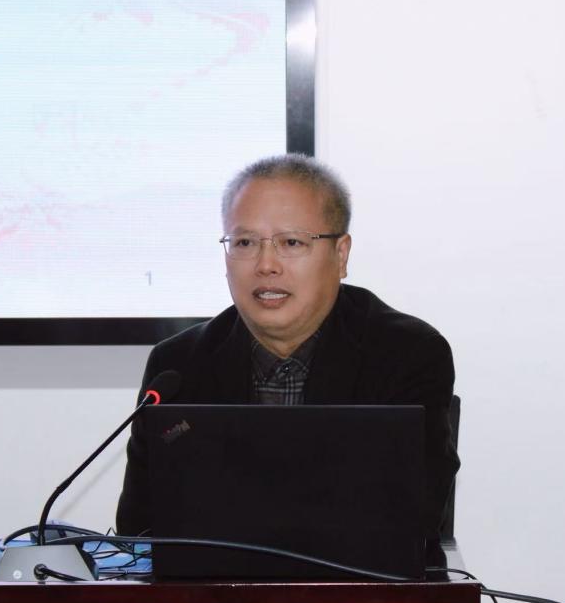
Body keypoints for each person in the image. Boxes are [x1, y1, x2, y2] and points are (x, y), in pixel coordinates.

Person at [115, 154, 459, 543]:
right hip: (210, 582)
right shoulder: (177, 367)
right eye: (245, 242)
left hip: (359, 582)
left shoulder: (406, 355)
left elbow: (413, 519)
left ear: (341, 255)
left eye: (291, 242)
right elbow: (139, 529)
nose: (266, 265)